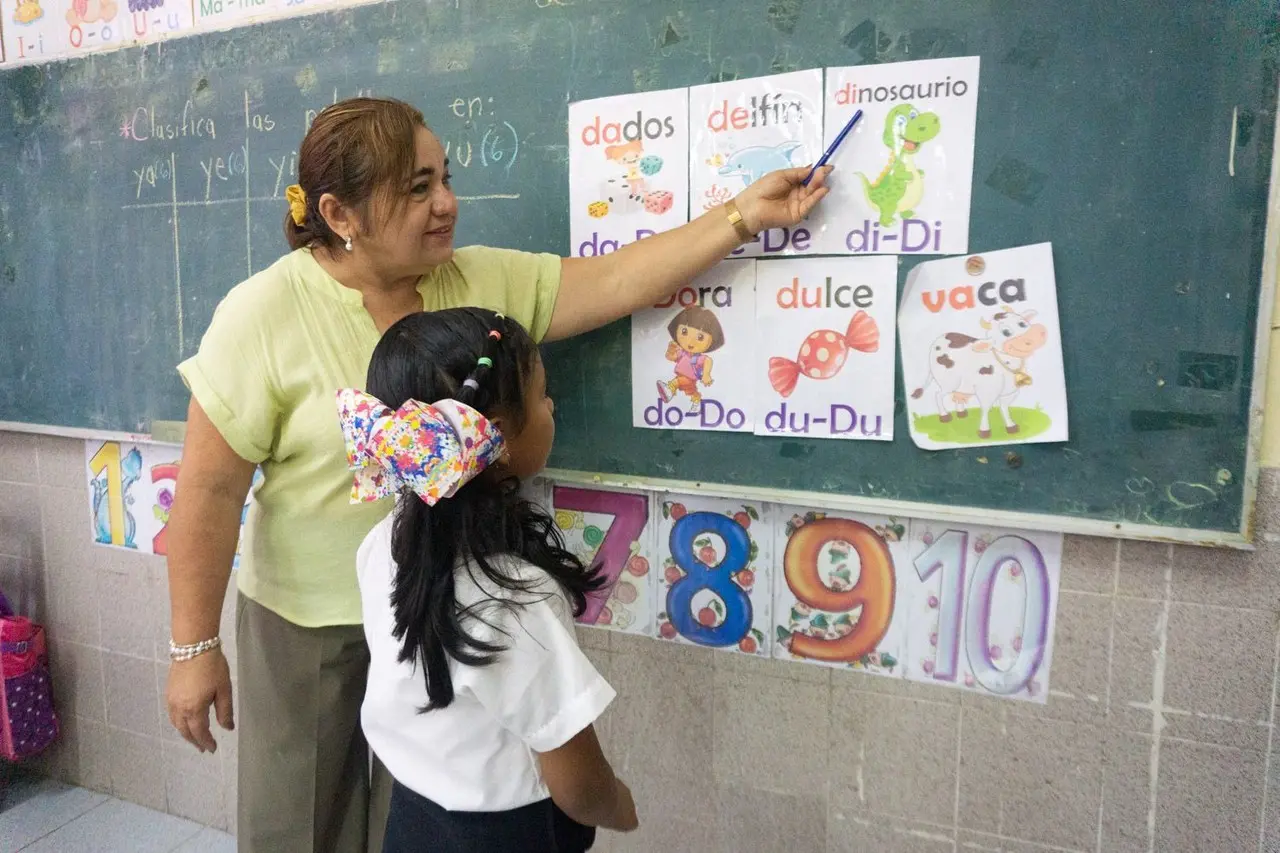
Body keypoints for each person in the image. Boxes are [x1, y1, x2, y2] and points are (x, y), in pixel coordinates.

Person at [163, 95, 830, 853]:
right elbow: (209, 492)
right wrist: (193, 648)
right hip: (310, 621)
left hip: (443, 611)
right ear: (339, 213)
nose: (446, 203)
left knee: (420, 819)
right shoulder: (262, 313)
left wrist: (741, 214)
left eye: (443, 176)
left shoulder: (477, 284)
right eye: (416, 188)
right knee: (298, 826)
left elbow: (618, 281)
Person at [343, 307, 634, 852]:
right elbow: (578, 784)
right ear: (495, 436)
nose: (551, 407)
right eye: (543, 394)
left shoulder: (383, 542)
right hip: (506, 834)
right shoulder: (516, 597)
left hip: (410, 816)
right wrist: (618, 805)